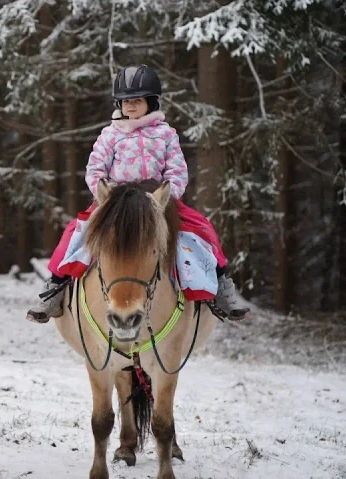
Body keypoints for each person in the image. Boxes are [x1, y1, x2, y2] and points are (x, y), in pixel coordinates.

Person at [26, 65, 250, 323]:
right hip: (115, 201)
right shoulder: (110, 135)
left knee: (202, 228)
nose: (130, 106)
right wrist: (104, 193)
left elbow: (177, 170)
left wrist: (167, 196)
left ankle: (221, 286)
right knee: (76, 231)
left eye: (136, 100)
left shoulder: (166, 134)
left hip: (156, 200)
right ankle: (53, 289)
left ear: (151, 102)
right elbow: (95, 169)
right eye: (125, 101)